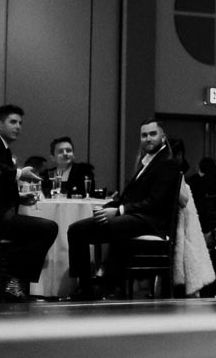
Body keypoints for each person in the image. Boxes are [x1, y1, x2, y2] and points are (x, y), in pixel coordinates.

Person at [67, 118, 181, 299]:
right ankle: (89, 286)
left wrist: (119, 211)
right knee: (77, 229)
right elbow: (130, 197)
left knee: (101, 227)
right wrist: (108, 207)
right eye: (144, 135)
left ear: (163, 136)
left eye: (153, 134)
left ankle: (106, 285)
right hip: (136, 217)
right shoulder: (147, 161)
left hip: (151, 221)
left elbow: (156, 203)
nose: (148, 138)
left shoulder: (167, 163)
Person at [0, 103, 58, 302]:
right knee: (48, 228)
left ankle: (10, 281)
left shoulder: (2, 147)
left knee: (30, 233)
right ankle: (12, 279)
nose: (18, 127)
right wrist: (18, 173)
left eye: (20, 123)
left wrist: (20, 197)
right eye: (13, 122)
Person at [166, 138, 215, 297]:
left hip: (190, 230)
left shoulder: (189, 179)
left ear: (178, 155)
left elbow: (196, 209)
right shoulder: (180, 175)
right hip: (184, 228)